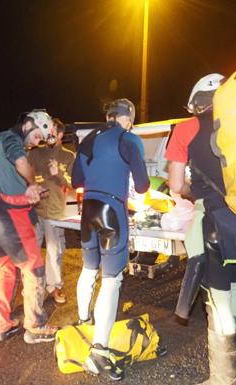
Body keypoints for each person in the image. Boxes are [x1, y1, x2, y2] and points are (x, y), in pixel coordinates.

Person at [166, 73, 236, 385]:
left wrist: (189, 186)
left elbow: (174, 184)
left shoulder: (186, 128)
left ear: (196, 101)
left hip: (213, 220)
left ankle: (225, 379)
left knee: (218, 297)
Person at [72, 98, 149, 380]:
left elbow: (75, 180)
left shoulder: (89, 138)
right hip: (112, 211)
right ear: (127, 117)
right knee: (112, 279)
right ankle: (99, 351)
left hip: (88, 211)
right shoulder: (129, 139)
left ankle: (83, 321)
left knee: (89, 269)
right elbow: (142, 185)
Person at [0, 109, 59, 344]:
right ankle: (35, 327)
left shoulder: (1, 140)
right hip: (11, 215)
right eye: (37, 137)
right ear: (28, 125)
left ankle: (2, 325)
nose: (36, 143)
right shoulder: (11, 138)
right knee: (34, 269)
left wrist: (30, 190)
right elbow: (20, 162)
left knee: (5, 270)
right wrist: (31, 185)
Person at [27, 118, 75, 304]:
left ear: (61, 134)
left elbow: (74, 183)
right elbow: (25, 175)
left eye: (53, 131)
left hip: (56, 211)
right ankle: (34, 287)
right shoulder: (35, 154)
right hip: (35, 210)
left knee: (55, 251)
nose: (49, 135)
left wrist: (58, 175)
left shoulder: (68, 156)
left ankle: (54, 287)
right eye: (47, 131)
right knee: (32, 250)